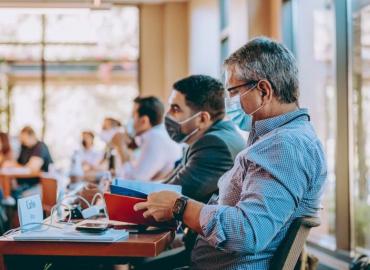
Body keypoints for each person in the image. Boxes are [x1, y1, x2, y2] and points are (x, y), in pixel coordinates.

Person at [134, 37, 327, 269]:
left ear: (264, 90)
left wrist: (180, 207)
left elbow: (248, 232)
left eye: (234, 92)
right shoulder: (279, 138)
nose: (229, 103)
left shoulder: (283, 145)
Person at [164, 75, 246, 203]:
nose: (167, 114)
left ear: (202, 119)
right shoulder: (211, 137)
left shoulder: (214, 146)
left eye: (175, 109)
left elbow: (165, 197)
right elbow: (165, 186)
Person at [111, 96, 182, 180]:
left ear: (144, 121)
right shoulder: (156, 136)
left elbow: (132, 180)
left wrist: (121, 147)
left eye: (133, 116)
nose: (130, 121)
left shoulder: (155, 138)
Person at [14, 126, 53, 196]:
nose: (23, 140)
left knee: (19, 195)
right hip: (24, 183)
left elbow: (32, 168)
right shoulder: (24, 147)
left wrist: (19, 166)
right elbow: (16, 164)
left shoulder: (40, 146)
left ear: (32, 136)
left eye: (24, 138)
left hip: (40, 184)